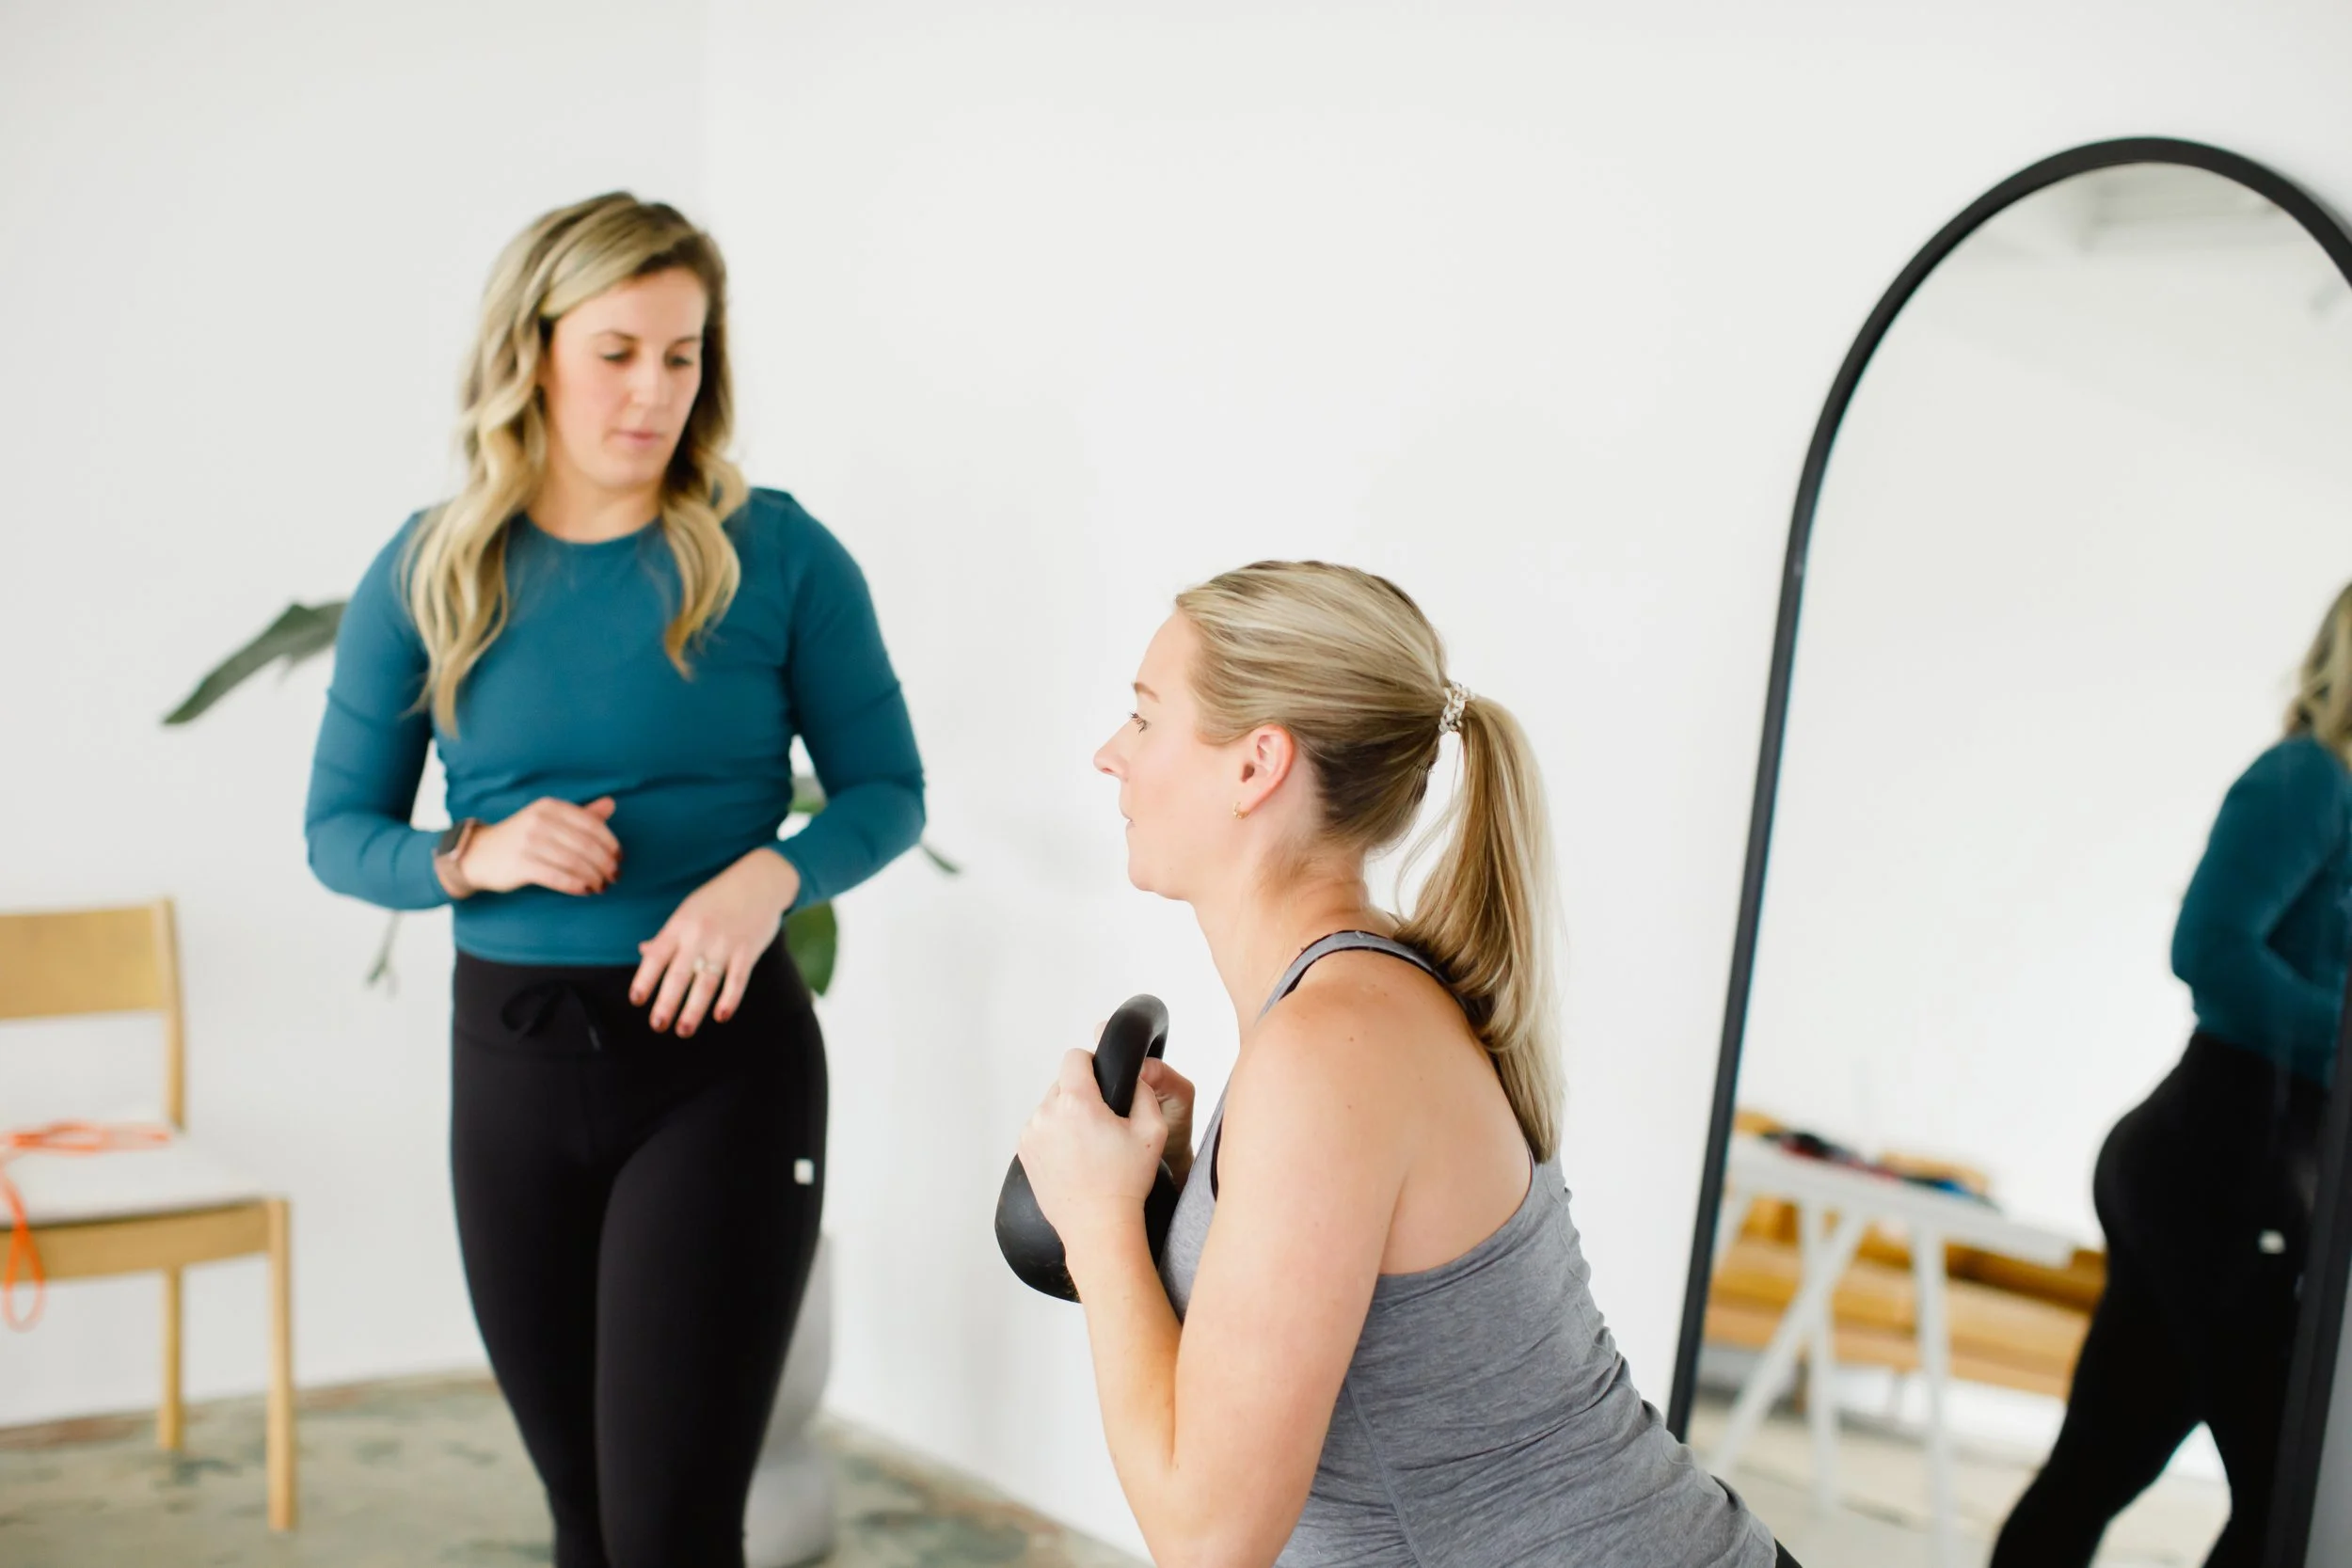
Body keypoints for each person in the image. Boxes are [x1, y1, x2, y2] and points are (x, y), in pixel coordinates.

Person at [303, 193, 925, 1568]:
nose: (656, 389)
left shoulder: (777, 551)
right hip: (513, 1070)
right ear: (531, 352)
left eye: (685, 353)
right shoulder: (431, 569)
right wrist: (470, 855)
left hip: (718, 1072)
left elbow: (889, 792)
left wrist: (772, 873)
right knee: (584, 1520)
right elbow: (338, 831)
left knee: (670, 1529)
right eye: (618, 349)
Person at [1015, 562, 1789, 1566]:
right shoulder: (1348, 1008)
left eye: (1145, 717)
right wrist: (1162, 1200)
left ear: (1256, 766)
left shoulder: (1334, 1048)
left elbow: (1209, 1537)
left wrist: (1100, 1223)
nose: (1109, 753)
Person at [1993, 580, 2352, 1568]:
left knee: (2101, 1460)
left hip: (2268, 1165)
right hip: (2212, 1161)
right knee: (2289, 1489)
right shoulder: (2305, 779)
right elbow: (2210, 947)